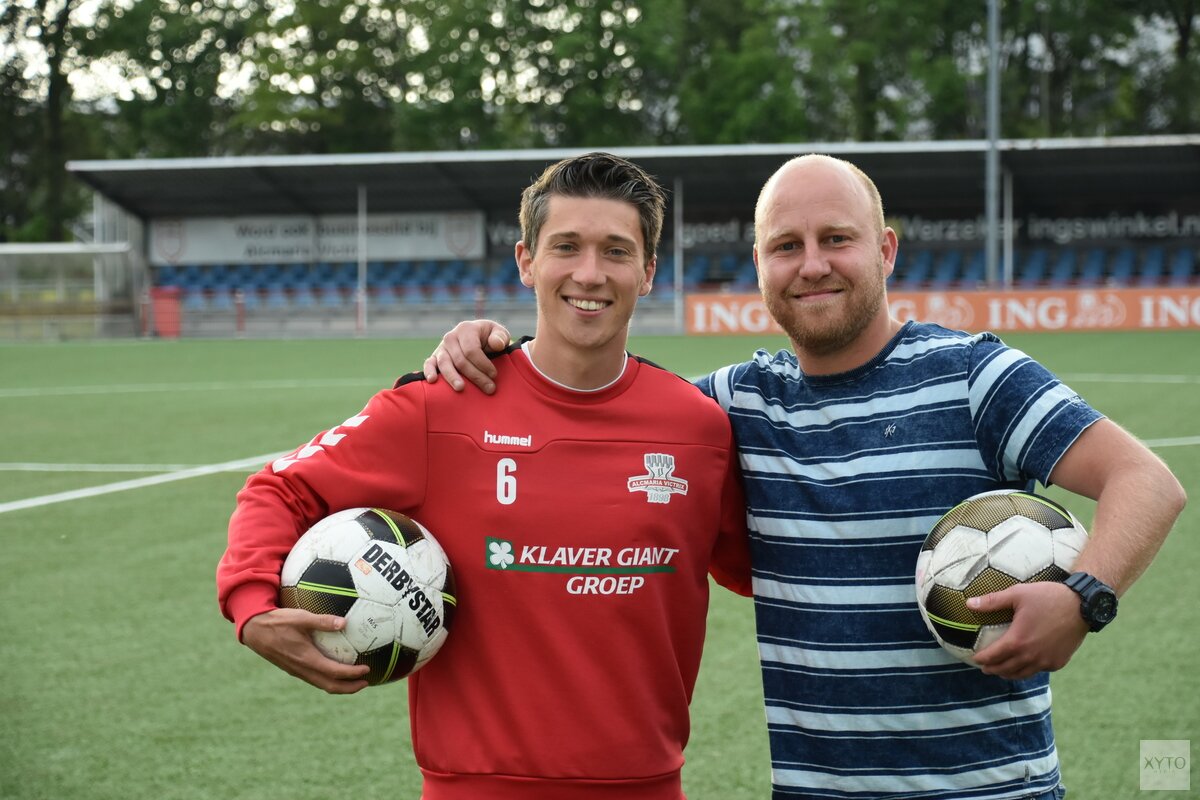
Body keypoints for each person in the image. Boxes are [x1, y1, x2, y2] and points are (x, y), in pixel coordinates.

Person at [422, 153, 1187, 799]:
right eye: (785, 245)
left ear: (885, 250)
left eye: (837, 239)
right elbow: (595, 416)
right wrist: (493, 350)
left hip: (995, 787)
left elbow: (1146, 481)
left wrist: (1083, 598)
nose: (812, 264)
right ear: (758, 265)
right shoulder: (728, 408)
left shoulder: (974, 377)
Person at [216, 152, 752, 800]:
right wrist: (250, 606)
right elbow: (281, 488)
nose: (590, 273)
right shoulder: (441, 405)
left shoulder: (698, 429)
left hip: (646, 786)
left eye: (615, 251)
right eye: (567, 247)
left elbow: (764, 566)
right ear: (526, 261)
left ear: (648, 272)